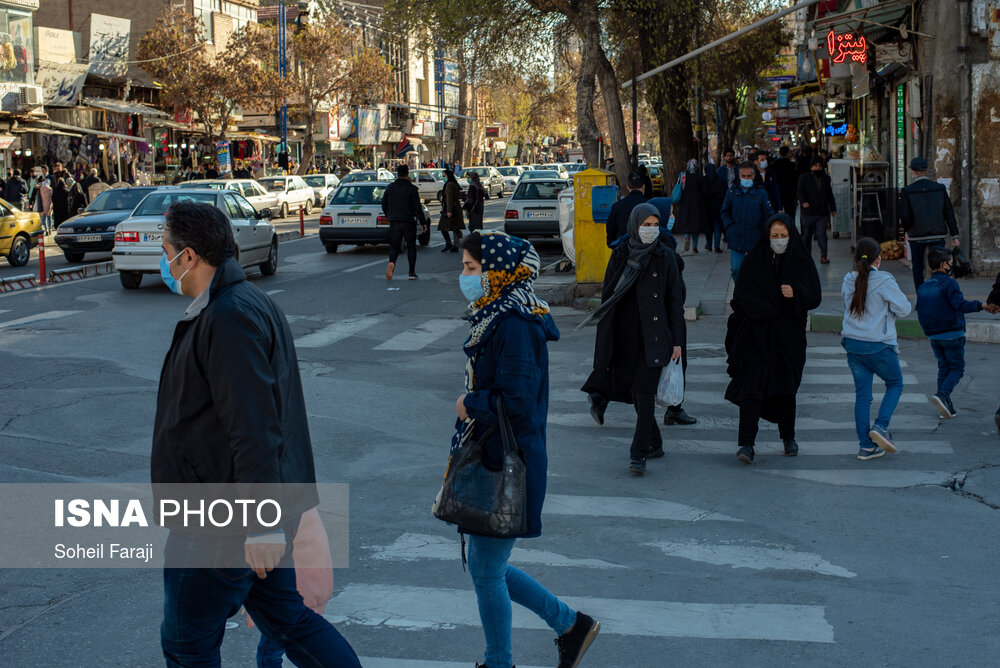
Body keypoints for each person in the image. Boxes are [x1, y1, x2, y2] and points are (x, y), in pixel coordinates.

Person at [153, 202, 361, 667]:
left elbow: (254, 426)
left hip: (221, 517)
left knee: (187, 642)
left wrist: (260, 523)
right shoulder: (241, 303)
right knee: (289, 621)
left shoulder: (228, 316)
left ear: (189, 256)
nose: (164, 263)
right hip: (248, 508)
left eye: (166, 252)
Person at [456, 230, 600, 668]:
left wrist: (470, 404)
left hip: (507, 462)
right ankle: (570, 625)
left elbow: (516, 402)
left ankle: (501, 661)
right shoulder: (498, 315)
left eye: (471, 268)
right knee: (487, 568)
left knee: (485, 571)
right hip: (496, 455)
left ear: (498, 271)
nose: (465, 276)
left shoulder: (515, 324)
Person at [581, 203, 685, 474]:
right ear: (634, 226)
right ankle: (655, 442)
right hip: (626, 337)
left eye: (655, 225)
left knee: (644, 394)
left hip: (655, 337)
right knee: (637, 396)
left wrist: (677, 341)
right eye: (646, 225)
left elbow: (675, 301)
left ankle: (638, 454)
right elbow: (609, 296)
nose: (651, 230)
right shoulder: (621, 255)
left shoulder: (665, 256)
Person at [725, 213, 821, 464]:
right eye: (774, 236)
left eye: (783, 235)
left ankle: (788, 438)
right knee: (751, 389)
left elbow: (815, 296)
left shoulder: (801, 261)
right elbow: (740, 298)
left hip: (787, 339)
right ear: (767, 236)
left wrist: (796, 293)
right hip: (757, 336)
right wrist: (761, 309)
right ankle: (746, 444)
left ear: (791, 235)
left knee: (786, 388)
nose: (779, 240)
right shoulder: (755, 261)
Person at [841, 238, 911, 459]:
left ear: (856, 259)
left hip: (853, 344)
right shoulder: (884, 280)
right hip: (878, 345)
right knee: (895, 383)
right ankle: (880, 426)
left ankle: (866, 446)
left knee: (862, 397)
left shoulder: (848, 280)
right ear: (878, 259)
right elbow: (905, 309)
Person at [916, 246, 984, 419]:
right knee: (957, 368)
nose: (952, 265)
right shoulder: (949, 283)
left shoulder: (923, 287)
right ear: (943, 264)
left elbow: (921, 312)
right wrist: (981, 305)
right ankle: (942, 394)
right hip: (953, 334)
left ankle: (946, 406)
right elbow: (960, 305)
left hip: (934, 336)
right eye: (951, 262)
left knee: (943, 368)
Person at [899, 157, 960, 290]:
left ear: (913, 172)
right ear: (926, 170)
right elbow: (948, 212)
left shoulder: (907, 191)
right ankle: (939, 294)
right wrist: (954, 235)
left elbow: (905, 215)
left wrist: (907, 230)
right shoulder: (939, 188)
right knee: (939, 266)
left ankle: (921, 296)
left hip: (916, 236)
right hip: (937, 235)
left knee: (918, 268)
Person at [721, 162, 774, 280]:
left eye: (749, 176)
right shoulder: (732, 192)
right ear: (739, 176)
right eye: (743, 176)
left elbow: (768, 214)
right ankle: (740, 290)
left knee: (756, 270)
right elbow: (724, 212)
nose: (746, 178)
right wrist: (730, 226)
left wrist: (766, 232)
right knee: (736, 269)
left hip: (756, 237)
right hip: (736, 237)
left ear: (754, 176)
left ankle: (752, 290)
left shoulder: (761, 192)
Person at [381, 163, 429, 280]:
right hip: (408, 222)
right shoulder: (412, 189)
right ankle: (411, 272)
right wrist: (423, 223)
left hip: (394, 222)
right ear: (407, 175)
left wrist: (388, 215)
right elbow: (418, 208)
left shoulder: (390, 188)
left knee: (394, 247)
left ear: (397, 174)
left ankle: (392, 262)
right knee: (411, 247)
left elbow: (384, 203)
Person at [797, 157, 836, 264]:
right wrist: (803, 202)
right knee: (807, 236)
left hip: (821, 213)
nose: (818, 168)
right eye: (815, 166)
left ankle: (824, 256)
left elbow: (829, 194)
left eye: (819, 166)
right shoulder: (804, 177)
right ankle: (807, 256)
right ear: (811, 167)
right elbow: (800, 191)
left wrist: (833, 208)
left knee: (821, 234)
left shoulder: (826, 178)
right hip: (808, 213)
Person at [672, 159, 711, 253]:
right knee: (695, 225)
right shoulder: (700, 177)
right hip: (698, 204)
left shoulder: (683, 176)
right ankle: (694, 248)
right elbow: (705, 192)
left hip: (685, 203)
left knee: (686, 222)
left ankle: (687, 237)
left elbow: (678, 187)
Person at [605, 172, 646, 246]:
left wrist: (611, 243)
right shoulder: (650, 204)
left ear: (627, 187)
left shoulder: (617, 206)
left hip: (623, 246)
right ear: (643, 187)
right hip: (645, 246)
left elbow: (611, 228)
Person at [439, 168, 465, 252]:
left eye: (444, 176)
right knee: (455, 227)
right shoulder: (454, 183)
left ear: (448, 176)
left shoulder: (449, 184)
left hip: (451, 208)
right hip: (456, 207)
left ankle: (449, 244)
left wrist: (449, 210)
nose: (443, 177)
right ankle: (455, 245)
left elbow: (449, 198)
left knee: (443, 226)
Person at [772, 145, 799, 217]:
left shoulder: (774, 165)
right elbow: (795, 179)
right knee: (790, 214)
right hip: (790, 193)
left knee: (777, 214)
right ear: (787, 154)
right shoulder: (792, 165)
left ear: (780, 154)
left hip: (778, 193)